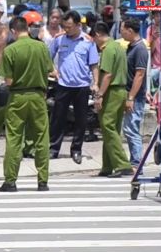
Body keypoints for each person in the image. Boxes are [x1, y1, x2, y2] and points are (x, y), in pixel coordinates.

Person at [0, 17, 55, 192]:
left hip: (17, 96)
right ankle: (43, 181)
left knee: (14, 138)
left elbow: (8, 80)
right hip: (38, 96)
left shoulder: (10, 50)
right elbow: (50, 70)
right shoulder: (41, 47)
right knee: (41, 137)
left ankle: (10, 181)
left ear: (13, 31)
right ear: (27, 29)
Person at [48, 10, 99, 164]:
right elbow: (47, 56)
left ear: (78, 25)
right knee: (58, 118)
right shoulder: (59, 39)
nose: (66, 30)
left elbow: (94, 64)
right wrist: (52, 69)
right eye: (65, 27)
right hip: (63, 84)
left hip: (82, 86)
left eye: (69, 27)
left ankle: (76, 149)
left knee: (81, 120)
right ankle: (54, 148)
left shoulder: (88, 42)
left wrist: (95, 83)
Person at [92, 22, 134, 178]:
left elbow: (107, 74)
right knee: (113, 129)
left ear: (97, 34)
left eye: (93, 39)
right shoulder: (119, 47)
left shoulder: (108, 49)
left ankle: (122, 164)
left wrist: (100, 95)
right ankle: (108, 165)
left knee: (107, 126)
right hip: (121, 91)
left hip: (112, 91)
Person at [121, 17, 148, 172]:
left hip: (135, 96)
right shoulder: (131, 47)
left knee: (132, 128)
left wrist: (131, 97)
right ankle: (134, 161)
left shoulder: (140, 49)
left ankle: (137, 163)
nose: (121, 33)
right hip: (129, 94)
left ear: (130, 31)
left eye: (123, 30)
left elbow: (139, 75)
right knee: (128, 129)